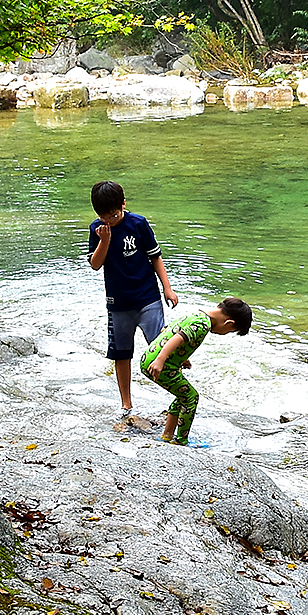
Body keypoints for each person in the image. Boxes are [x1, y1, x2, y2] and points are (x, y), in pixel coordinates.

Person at [87, 180, 179, 423]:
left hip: (148, 296)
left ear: (124, 205)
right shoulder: (97, 229)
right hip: (118, 303)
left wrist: (167, 289)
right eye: (104, 216)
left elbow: (156, 257)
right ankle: (126, 404)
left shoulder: (137, 223)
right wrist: (104, 240)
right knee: (121, 354)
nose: (110, 221)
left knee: (160, 346)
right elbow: (95, 265)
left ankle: (178, 394)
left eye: (114, 215)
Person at [144, 297, 253, 445]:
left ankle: (167, 435)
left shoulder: (197, 315)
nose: (224, 333)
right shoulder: (202, 325)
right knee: (191, 397)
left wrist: (181, 358)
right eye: (229, 331)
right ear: (229, 323)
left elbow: (166, 331)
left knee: (183, 395)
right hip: (160, 363)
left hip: (151, 357)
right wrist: (161, 360)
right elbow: (177, 338)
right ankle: (181, 440)